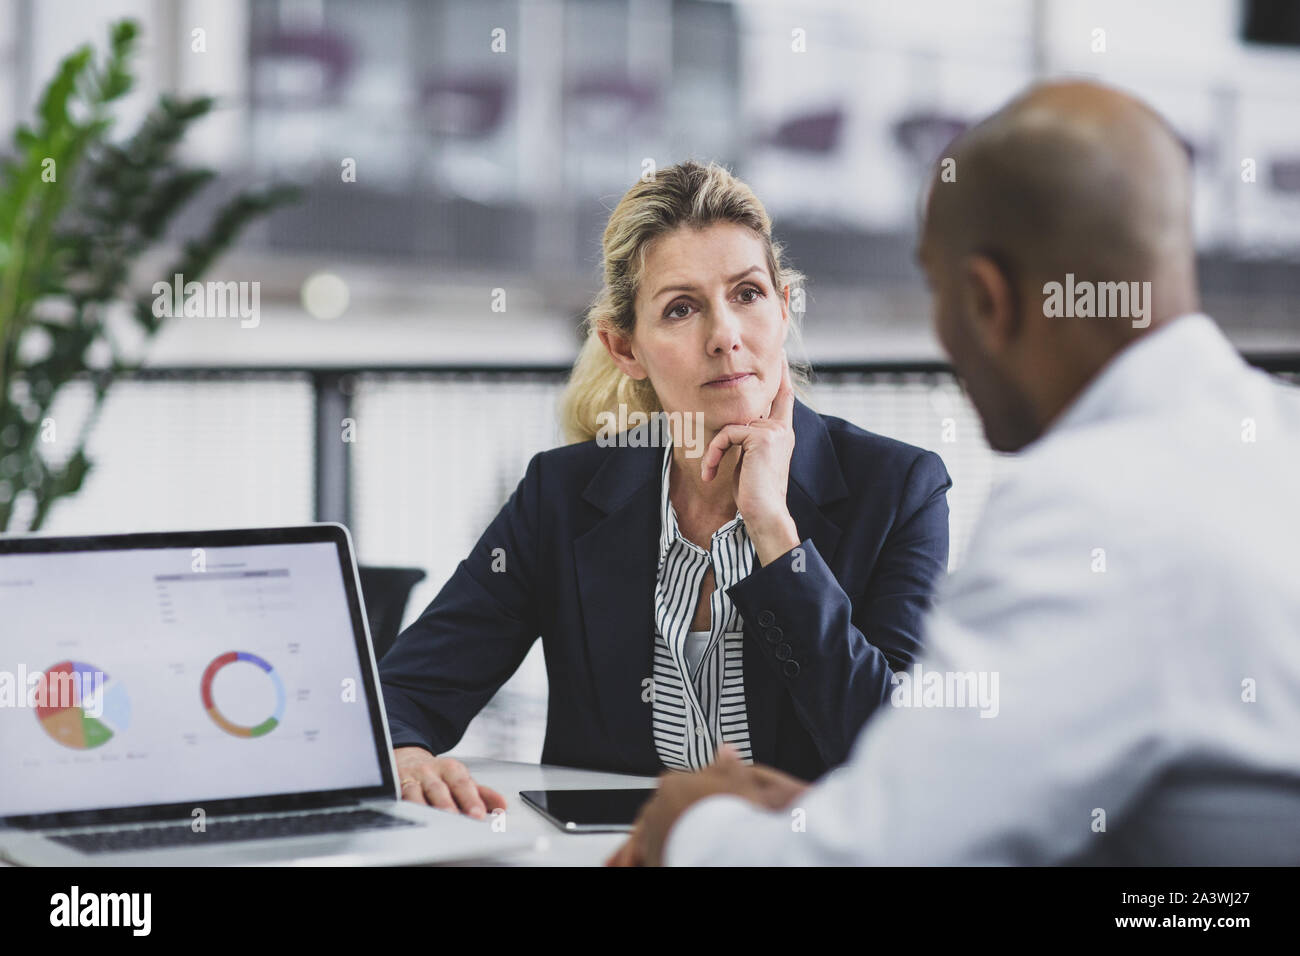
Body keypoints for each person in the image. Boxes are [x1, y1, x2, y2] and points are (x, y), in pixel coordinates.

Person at [607, 81, 1300, 866]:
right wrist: (856, 811)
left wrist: (688, 829)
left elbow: (885, 862)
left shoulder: (1084, 510)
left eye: (938, 292)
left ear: (986, 300)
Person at [379, 160, 952, 817]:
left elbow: (896, 751)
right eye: (682, 309)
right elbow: (405, 693)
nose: (725, 337)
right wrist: (406, 755)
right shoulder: (562, 495)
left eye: (747, 294)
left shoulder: (900, 489)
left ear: (784, 307)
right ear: (624, 348)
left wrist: (775, 534)